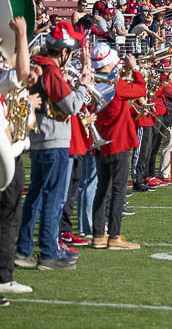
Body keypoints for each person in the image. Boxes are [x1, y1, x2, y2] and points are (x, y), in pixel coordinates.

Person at [16, 23, 90, 271]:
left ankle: (24, 250)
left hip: (40, 141)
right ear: (63, 51)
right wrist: (83, 85)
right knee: (52, 198)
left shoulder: (40, 66)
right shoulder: (51, 71)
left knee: (36, 197)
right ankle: (48, 252)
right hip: (53, 140)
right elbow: (71, 106)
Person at [87, 43, 145, 250]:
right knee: (118, 189)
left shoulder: (91, 82)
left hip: (100, 142)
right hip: (119, 142)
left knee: (102, 189)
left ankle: (98, 235)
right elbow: (140, 89)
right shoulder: (116, 85)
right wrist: (135, 69)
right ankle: (114, 236)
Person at [0, 17, 37, 298]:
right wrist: (22, 34)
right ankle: (3, 276)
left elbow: (18, 69)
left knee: (11, 215)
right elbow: (20, 71)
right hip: (5, 154)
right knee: (8, 217)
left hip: (11, 149)